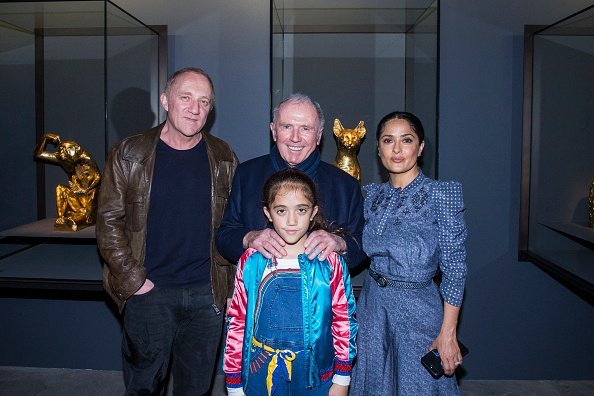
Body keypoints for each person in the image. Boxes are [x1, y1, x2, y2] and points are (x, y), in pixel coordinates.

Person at [96, 67, 239, 395]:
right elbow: (107, 222)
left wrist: (229, 286)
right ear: (165, 100)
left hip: (207, 297)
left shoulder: (223, 157)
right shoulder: (129, 153)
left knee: (196, 389)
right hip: (150, 294)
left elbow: (233, 225)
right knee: (144, 387)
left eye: (204, 101)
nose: (195, 108)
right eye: (185, 97)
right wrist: (135, 281)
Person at [350, 111, 467, 395]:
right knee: (372, 384)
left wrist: (448, 333)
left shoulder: (442, 194)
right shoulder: (369, 195)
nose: (398, 149)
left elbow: (455, 267)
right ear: (379, 149)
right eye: (389, 140)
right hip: (373, 307)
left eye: (407, 140)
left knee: (419, 386)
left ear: (421, 147)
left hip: (419, 309)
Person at [223, 169, 357, 396]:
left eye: (301, 210)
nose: (292, 221)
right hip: (261, 370)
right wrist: (233, 382)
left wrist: (342, 377)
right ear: (268, 213)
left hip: (314, 373)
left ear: (313, 212)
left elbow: (343, 319)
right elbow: (237, 320)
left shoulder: (329, 262)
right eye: (281, 211)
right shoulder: (253, 261)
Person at [215, 93, 365, 269]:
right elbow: (224, 236)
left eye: (305, 129)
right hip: (258, 292)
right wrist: (248, 238)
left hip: (324, 294)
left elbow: (364, 245)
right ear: (273, 131)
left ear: (318, 136)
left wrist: (341, 243)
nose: (295, 137)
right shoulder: (246, 174)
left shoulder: (345, 185)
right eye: (287, 126)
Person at [34, 133, 101, 231]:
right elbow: (38, 154)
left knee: (92, 195)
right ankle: (62, 217)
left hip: (88, 196)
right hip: (75, 195)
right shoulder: (62, 158)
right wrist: (45, 137)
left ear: (74, 150)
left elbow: (98, 177)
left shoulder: (85, 158)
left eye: (65, 149)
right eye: (61, 149)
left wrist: (85, 190)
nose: (62, 152)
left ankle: (83, 217)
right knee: (60, 188)